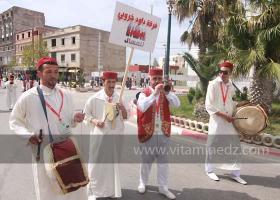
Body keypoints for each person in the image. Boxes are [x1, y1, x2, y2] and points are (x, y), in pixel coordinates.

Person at [9, 57, 87, 200]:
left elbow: (68, 121)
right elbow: (15, 121)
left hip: (67, 148)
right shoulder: (28, 97)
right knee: (47, 190)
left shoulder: (66, 95)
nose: (53, 75)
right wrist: (28, 135)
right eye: (49, 71)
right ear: (39, 74)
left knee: (73, 187)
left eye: (56, 72)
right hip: (44, 150)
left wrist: (74, 118)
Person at [137, 68, 180, 199]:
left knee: (163, 162)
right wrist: (154, 94)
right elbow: (142, 106)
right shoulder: (143, 93)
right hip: (148, 131)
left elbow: (177, 104)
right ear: (149, 79)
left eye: (159, 79)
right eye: (154, 79)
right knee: (146, 161)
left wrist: (168, 93)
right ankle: (142, 182)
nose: (157, 81)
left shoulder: (166, 93)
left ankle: (163, 187)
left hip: (163, 131)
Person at [84, 71, 128, 200]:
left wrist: (123, 109)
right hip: (99, 137)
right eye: (109, 82)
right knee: (96, 164)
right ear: (103, 82)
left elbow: (126, 117)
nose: (111, 85)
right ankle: (94, 191)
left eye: (113, 82)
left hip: (115, 136)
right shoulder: (95, 98)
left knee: (112, 164)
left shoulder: (119, 98)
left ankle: (111, 190)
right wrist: (95, 121)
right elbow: (86, 115)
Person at [205, 61, 247, 185]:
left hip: (229, 120)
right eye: (221, 72)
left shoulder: (231, 86)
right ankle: (209, 170)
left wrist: (239, 106)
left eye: (225, 72)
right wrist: (224, 116)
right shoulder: (212, 84)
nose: (223, 74)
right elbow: (209, 105)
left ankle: (235, 173)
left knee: (235, 146)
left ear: (230, 73)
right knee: (213, 145)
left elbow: (230, 102)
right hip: (217, 120)